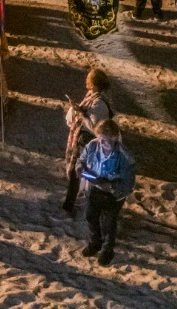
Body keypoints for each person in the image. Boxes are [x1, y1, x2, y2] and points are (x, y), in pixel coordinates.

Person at [76, 120, 136, 268]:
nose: (102, 143)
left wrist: (110, 185)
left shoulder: (125, 157)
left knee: (109, 223)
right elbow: (81, 161)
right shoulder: (92, 145)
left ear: (115, 139)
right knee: (90, 216)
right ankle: (95, 243)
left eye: (106, 141)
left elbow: (128, 185)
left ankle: (108, 250)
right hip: (94, 190)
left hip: (113, 196)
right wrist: (80, 169)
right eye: (100, 139)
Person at [62, 67, 115, 215]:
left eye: (89, 81)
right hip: (84, 141)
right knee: (79, 172)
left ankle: (69, 205)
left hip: (88, 142)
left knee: (77, 173)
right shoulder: (92, 97)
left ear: (95, 84)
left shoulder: (99, 104)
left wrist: (81, 113)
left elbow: (94, 127)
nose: (86, 83)